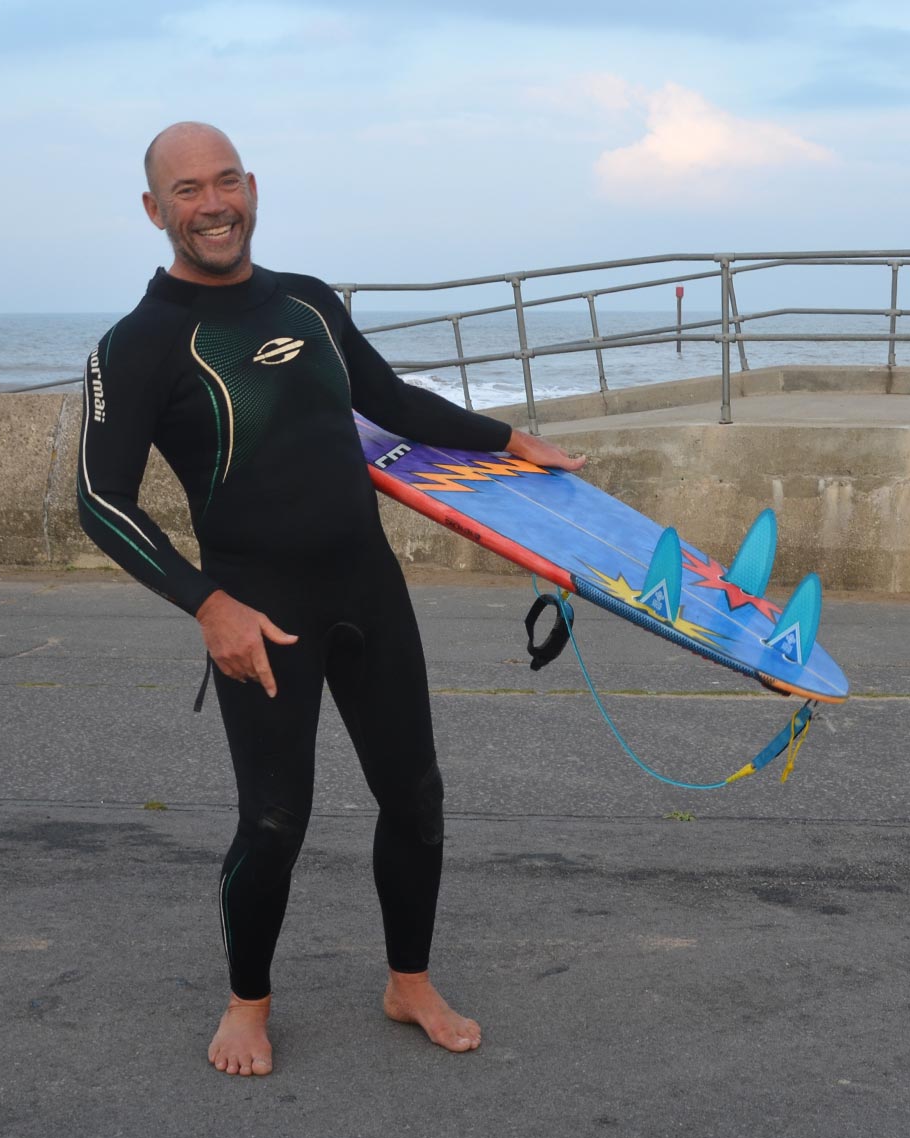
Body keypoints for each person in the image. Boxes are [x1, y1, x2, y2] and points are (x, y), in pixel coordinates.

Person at [77, 121, 584, 1076]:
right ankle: (248, 1001)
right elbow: (99, 501)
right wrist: (207, 604)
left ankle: (409, 982)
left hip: (367, 586)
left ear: (253, 188)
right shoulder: (138, 344)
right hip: (259, 610)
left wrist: (506, 437)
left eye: (226, 181)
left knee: (416, 795)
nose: (212, 203)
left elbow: (392, 403)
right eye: (187, 190)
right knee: (275, 820)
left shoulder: (308, 302)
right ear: (155, 211)